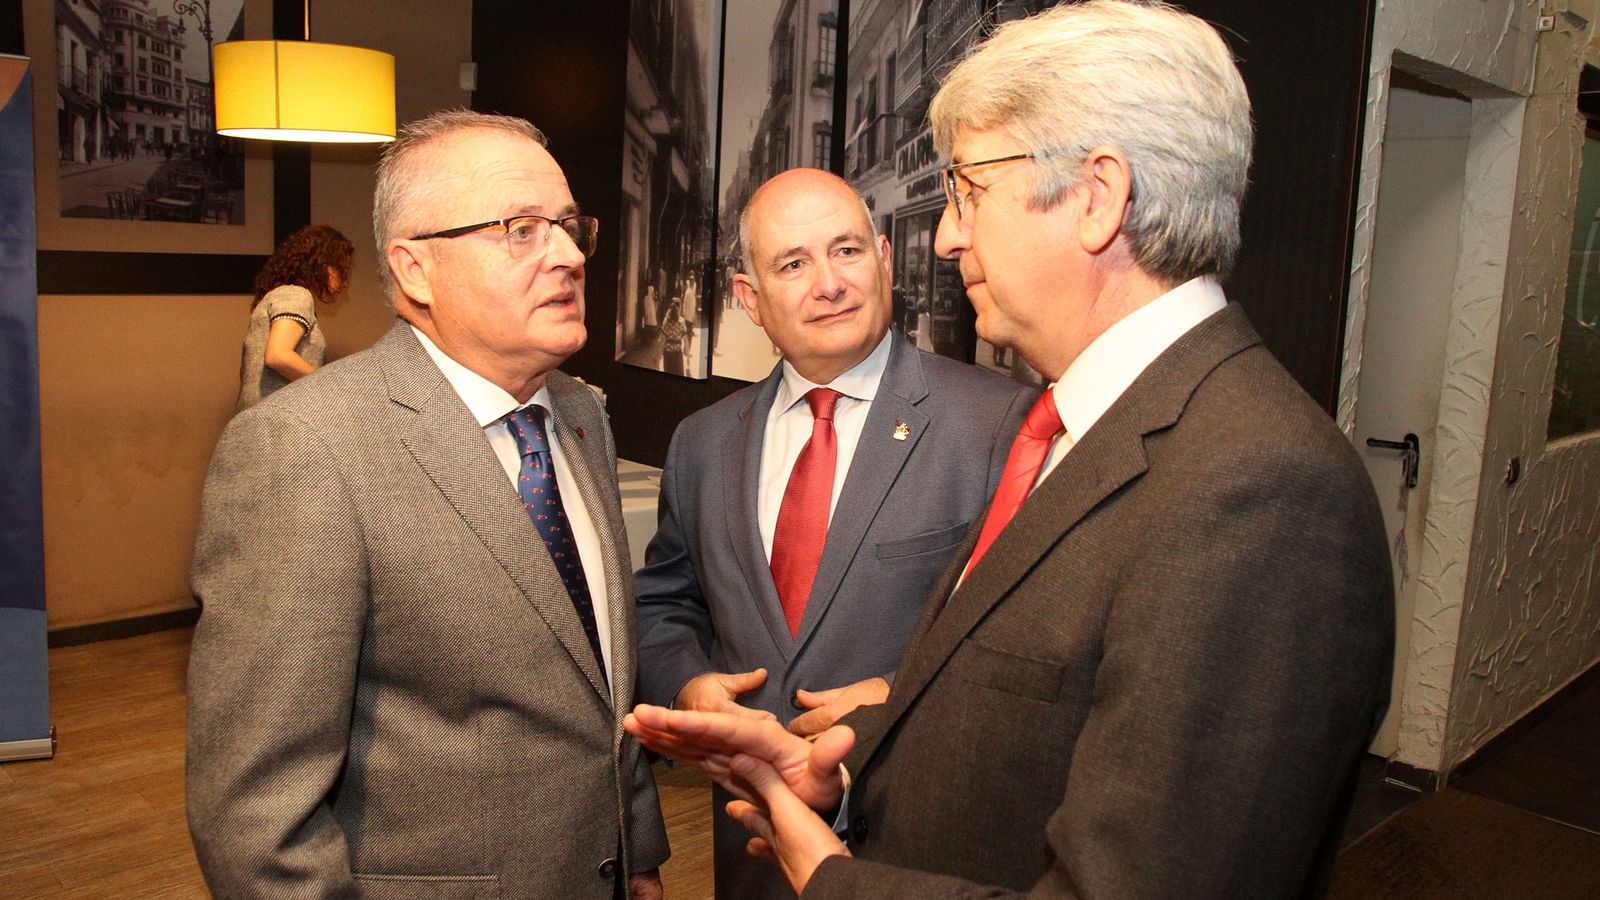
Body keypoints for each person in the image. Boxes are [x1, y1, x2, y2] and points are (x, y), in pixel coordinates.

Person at [626, 3, 1394, 897]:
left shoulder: (1263, 491)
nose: (948, 236)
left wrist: (833, 880)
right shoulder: (1084, 432)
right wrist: (846, 762)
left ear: (1097, 197)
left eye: (970, 191)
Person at [187, 109, 668, 899]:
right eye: (520, 229)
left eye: (571, 226)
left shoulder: (580, 413)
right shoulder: (304, 449)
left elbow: (599, 686)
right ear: (414, 270)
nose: (569, 254)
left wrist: (639, 856)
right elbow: (255, 814)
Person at [634, 167, 1034, 898]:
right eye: (793, 263)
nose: (829, 283)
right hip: (753, 850)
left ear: (884, 261)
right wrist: (691, 687)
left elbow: (1032, 636)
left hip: (912, 853)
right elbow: (664, 604)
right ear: (750, 298)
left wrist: (894, 691)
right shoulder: (702, 442)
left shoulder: (997, 424)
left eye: (847, 251)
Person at [236, 224, 354, 410]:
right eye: (342, 269)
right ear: (323, 265)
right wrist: (328, 385)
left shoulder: (279, 294)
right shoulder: (296, 295)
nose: (345, 282)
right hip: (275, 420)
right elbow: (277, 355)